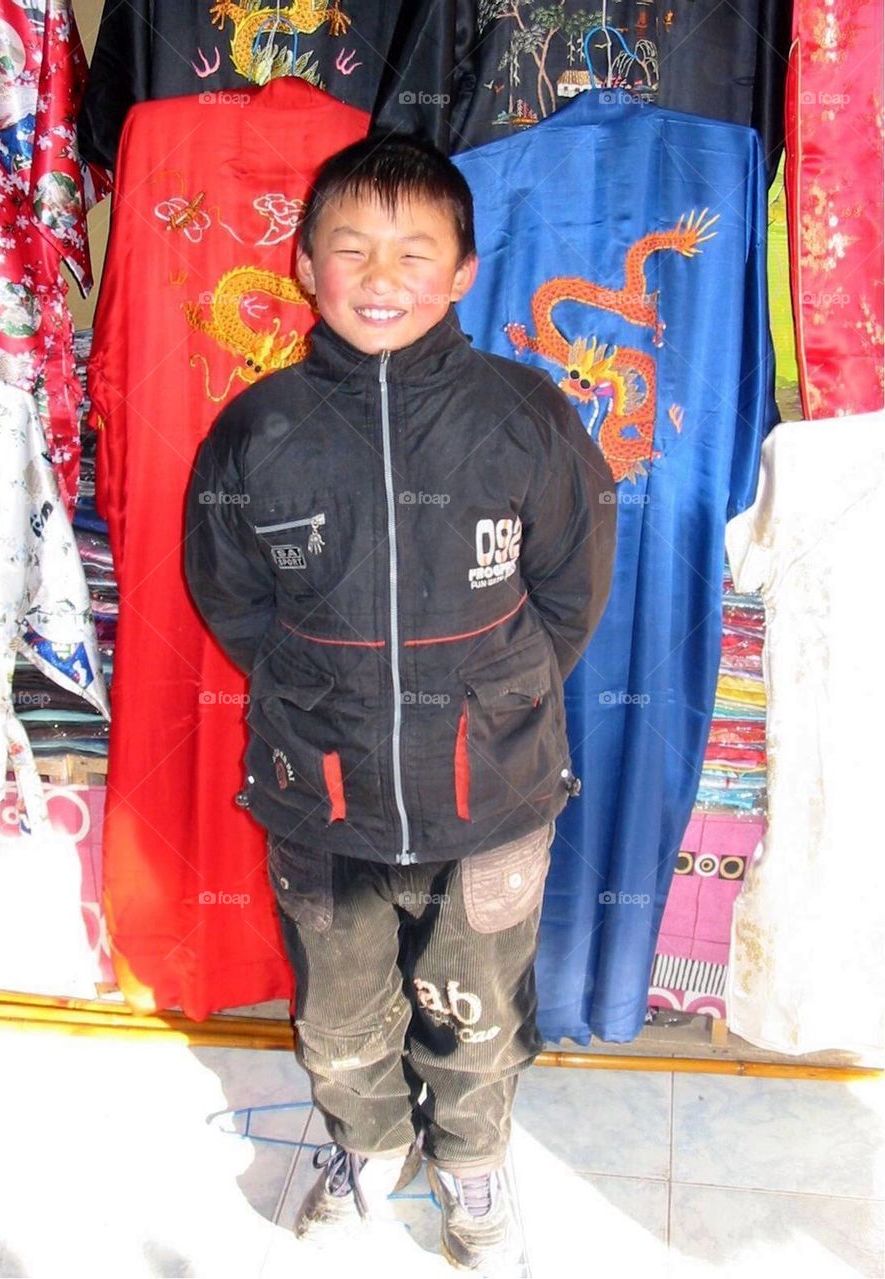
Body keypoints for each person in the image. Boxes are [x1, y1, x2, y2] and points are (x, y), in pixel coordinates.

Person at [184, 133, 616, 1275]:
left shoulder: (526, 416)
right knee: (337, 1011)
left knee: (475, 1008)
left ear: (466, 271)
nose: (383, 277)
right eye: (353, 248)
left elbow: (568, 593)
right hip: (321, 800)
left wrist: (491, 698)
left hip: (495, 786)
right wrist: (325, 694)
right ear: (303, 263)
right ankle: (367, 1142)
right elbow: (231, 599)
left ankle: (472, 1160)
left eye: (416, 251)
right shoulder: (258, 431)